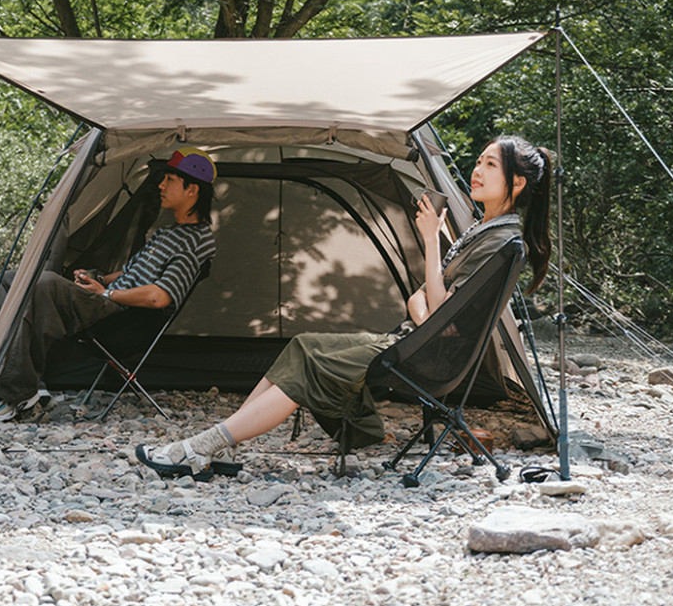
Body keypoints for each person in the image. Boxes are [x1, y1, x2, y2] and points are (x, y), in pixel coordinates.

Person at [135, 134, 551, 479]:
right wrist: (423, 303)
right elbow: (425, 299)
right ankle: (221, 445)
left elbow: (440, 311)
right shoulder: (487, 231)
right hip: (416, 340)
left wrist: (429, 242)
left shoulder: (501, 241)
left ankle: (196, 449)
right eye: (479, 160)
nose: (477, 170)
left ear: (516, 184)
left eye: (491, 165)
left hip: (426, 355)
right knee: (303, 344)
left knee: (309, 365)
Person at [0, 147, 217, 422]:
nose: (160, 185)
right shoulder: (169, 232)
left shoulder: (194, 241)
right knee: (9, 281)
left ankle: (16, 395)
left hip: (120, 318)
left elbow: (159, 297)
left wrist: (107, 292)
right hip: (107, 300)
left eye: (169, 179)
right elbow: (132, 272)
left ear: (192, 190)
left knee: (44, 284)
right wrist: (97, 278)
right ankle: (12, 381)